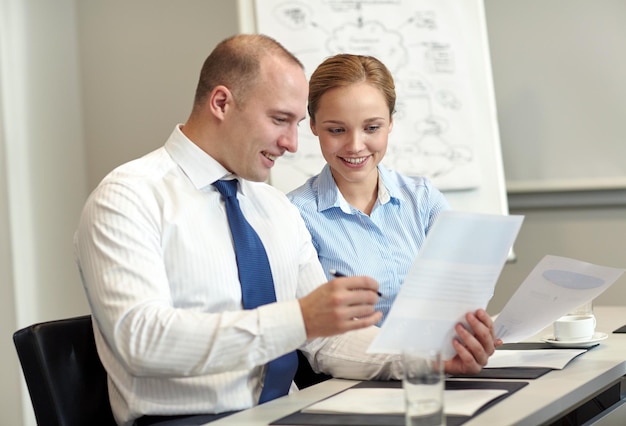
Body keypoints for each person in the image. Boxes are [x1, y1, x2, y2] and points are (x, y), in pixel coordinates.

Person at [74, 35, 498, 426]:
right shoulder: (128, 197)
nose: (293, 144)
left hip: (286, 413)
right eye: (280, 120)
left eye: (298, 124)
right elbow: (141, 340)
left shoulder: (273, 208)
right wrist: (298, 318)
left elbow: (327, 343)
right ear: (222, 103)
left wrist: (427, 359)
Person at [288, 54, 499, 326]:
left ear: (390, 123)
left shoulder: (422, 198)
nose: (355, 145)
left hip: (439, 358)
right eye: (337, 130)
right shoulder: (296, 215)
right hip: (354, 366)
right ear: (314, 125)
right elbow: (319, 332)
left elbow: (467, 288)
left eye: (372, 128)